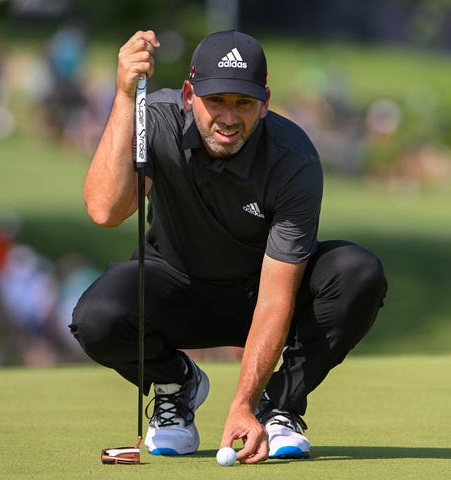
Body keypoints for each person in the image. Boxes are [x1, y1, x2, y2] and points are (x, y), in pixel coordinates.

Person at [70, 30, 387, 464]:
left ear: (265, 102)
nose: (229, 116)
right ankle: (175, 384)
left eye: (243, 103)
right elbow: (106, 210)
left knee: (358, 273)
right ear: (188, 95)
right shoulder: (157, 119)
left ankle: (279, 407)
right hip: (176, 286)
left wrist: (243, 402)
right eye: (215, 100)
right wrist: (126, 97)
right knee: (96, 318)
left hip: (261, 293)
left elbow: (277, 294)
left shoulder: (292, 157)